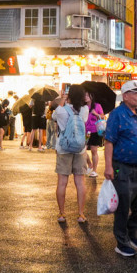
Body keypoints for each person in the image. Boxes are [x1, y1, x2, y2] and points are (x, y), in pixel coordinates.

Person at [104, 80, 137, 258]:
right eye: (135, 92)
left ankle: (130, 231)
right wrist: (108, 166)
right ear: (125, 96)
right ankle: (121, 242)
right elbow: (109, 141)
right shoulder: (117, 114)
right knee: (123, 207)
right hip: (122, 168)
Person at [51, 84, 89, 223]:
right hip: (80, 150)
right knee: (80, 182)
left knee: (62, 183)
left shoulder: (61, 110)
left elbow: (54, 116)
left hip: (63, 149)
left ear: (69, 95)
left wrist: (63, 99)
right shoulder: (84, 110)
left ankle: (61, 214)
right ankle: (80, 214)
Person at [84, 92, 104, 177]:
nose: (85, 97)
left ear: (92, 96)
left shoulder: (97, 105)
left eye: (87, 95)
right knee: (82, 151)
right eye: (84, 95)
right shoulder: (83, 107)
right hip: (86, 131)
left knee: (94, 150)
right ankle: (89, 164)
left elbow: (102, 117)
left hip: (95, 130)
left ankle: (94, 170)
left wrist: (95, 113)